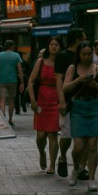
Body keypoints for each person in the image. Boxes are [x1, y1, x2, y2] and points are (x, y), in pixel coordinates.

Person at [62, 41, 98, 192]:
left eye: (89, 54)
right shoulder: (73, 68)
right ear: (79, 55)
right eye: (84, 54)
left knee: (93, 145)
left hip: (94, 107)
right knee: (79, 146)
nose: (87, 57)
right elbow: (65, 88)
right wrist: (79, 80)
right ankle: (77, 167)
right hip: (78, 108)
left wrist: (95, 86)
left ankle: (92, 178)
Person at [54, 26, 86, 178]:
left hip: (84, 100)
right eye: (84, 38)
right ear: (78, 39)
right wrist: (61, 100)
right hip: (68, 100)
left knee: (83, 136)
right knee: (66, 135)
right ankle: (62, 157)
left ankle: (80, 166)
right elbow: (58, 79)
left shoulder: (84, 56)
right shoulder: (63, 56)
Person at [28, 38, 63, 174]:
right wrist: (32, 100)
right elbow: (30, 81)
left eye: (56, 45)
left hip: (56, 100)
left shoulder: (62, 63)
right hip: (41, 100)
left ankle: (52, 164)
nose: (54, 47)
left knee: (52, 134)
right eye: (51, 44)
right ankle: (42, 152)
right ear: (48, 46)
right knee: (41, 135)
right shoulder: (41, 62)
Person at [0, 40, 25, 125]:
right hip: (13, 80)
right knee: (12, 100)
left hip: (2, 79)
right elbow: (19, 69)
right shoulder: (16, 55)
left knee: (2, 100)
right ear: (11, 46)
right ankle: (10, 119)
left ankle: (2, 118)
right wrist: (22, 82)